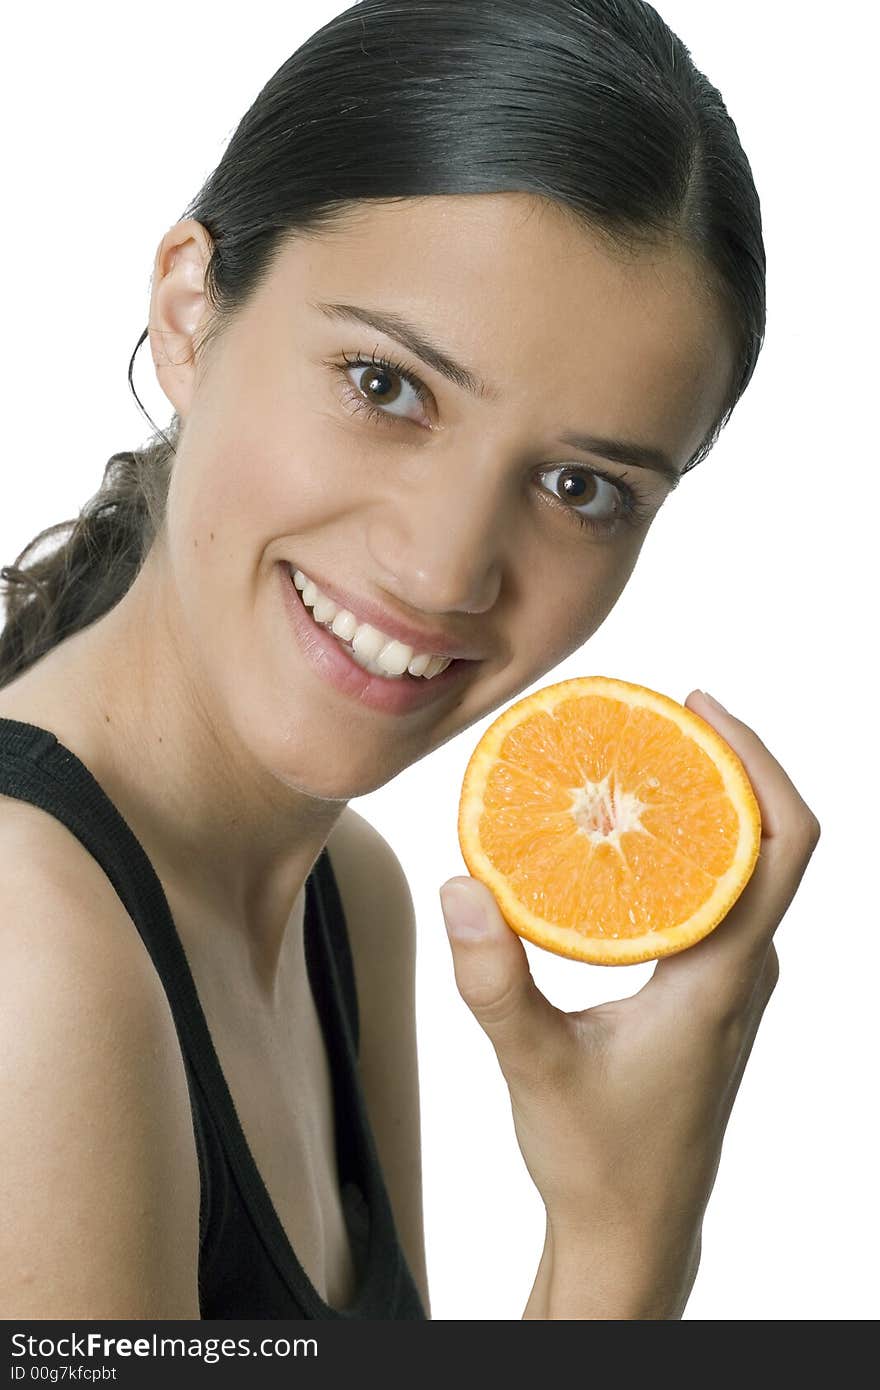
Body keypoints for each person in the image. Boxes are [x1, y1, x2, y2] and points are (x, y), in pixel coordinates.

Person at [0, 0, 820, 1321]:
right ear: (190, 313)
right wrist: (626, 1234)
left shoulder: (344, 892)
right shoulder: (30, 959)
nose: (445, 572)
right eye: (386, 386)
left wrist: (606, 1213)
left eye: (579, 483)